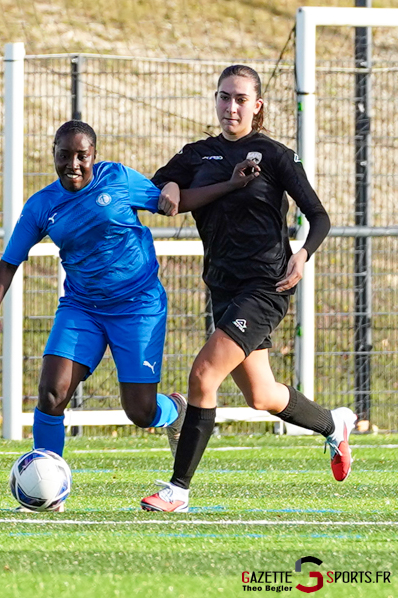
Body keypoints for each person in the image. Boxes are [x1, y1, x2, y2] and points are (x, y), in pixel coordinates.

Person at [0, 120, 259, 510]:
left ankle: (175, 409)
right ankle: (47, 486)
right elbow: (8, 263)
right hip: (82, 309)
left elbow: (171, 202)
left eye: (81, 156)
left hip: (138, 306)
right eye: (64, 155)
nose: (73, 164)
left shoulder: (118, 179)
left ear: (94, 156)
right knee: (52, 394)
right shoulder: (41, 205)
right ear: (53, 154)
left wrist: (230, 185)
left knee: (140, 413)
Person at [140, 64, 356, 513]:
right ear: (215, 100)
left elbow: (320, 216)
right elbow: (159, 184)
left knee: (203, 374)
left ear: (256, 106)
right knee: (261, 394)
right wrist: (176, 185)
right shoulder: (198, 153)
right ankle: (333, 424)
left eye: (240, 99)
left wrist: (303, 254)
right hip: (223, 286)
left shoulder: (275, 155)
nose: (231, 106)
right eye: (224, 97)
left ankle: (177, 489)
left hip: (266, 285)